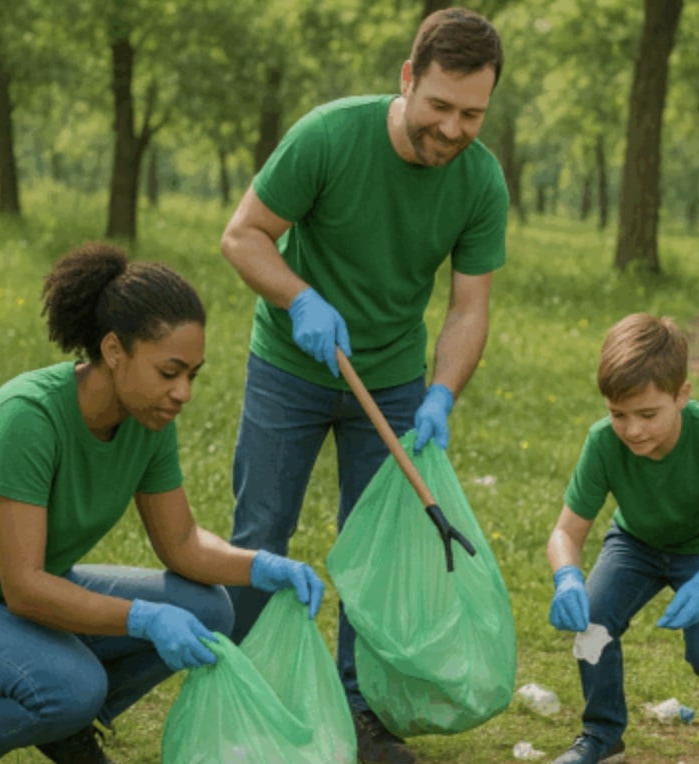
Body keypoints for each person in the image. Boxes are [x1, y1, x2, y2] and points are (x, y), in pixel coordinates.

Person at [217, 7, 506, 763]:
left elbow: (468, 308)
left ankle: (358, 712)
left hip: (393, 380)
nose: (452, 129)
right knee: (260, 534)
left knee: (378, 552)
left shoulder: (480, 180)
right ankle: (245, 694)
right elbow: (243, 234)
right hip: (289, 365)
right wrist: (299, 298)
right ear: (408, 80)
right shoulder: (328, 136)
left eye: (472, 113)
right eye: (439, 106)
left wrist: (441, 391)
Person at [0, 243, 324, 764]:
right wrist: (142, 618)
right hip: (11, 594)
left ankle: (66, 727)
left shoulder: (146, 420)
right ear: (115, 350)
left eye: (193, 374)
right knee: (73, 686)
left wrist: (261, 566)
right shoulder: (28, 420)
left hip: (19, 595)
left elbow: (182, 542)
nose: (183, 392)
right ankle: (61, 704)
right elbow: (25, 588)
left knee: (209, 609)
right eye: (170, 373)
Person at [545, 313, 699, 764]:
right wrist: (568, 577)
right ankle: (602, 734)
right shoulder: (602, 443)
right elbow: (565, 532)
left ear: (682, 395)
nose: (632, 430)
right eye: (618, 414)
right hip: (635, 544)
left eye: (648, 414)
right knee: (591, 622)